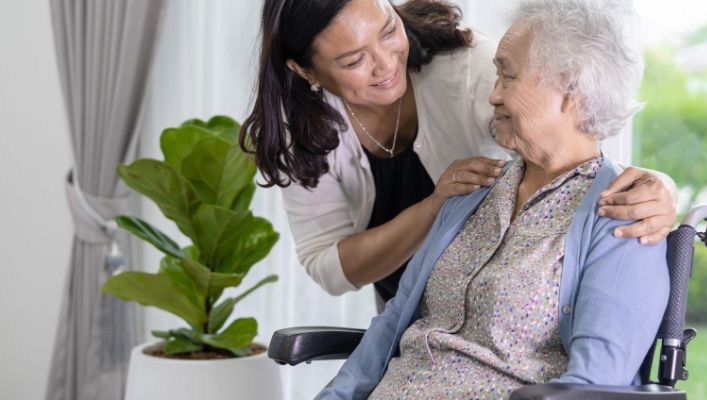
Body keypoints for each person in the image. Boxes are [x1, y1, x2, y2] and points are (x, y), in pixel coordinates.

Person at [318, 0, 668, 397]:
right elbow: (394, 320)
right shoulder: (472, 189)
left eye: (508, 77)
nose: (493, 96)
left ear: (570, 90)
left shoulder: (623, 217)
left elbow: (596, 384)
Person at [240, 0, 676, 303]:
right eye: (354, 60)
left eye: (389, 30)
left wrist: (659, 189)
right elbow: (329, 266)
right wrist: (434, 208)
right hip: (414, 322)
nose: (387, 63)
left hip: (500, 307)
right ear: (304, 70)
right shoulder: (301, 131)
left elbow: (579, 136)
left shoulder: (472, 70)